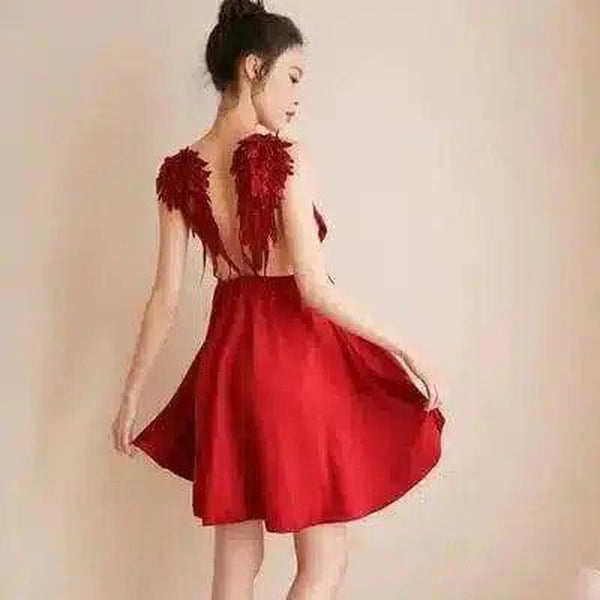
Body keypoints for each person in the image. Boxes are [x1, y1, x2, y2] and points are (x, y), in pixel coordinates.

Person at [111, 0, 446, 598]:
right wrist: (405, 347)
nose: (297, 98)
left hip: (227, 366)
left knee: (235, 564)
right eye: (292, 78)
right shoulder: (282, 156)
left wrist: (131, 394)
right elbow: (312, 288)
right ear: (252, 68)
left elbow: (165, 296)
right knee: (324, 562)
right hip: (296, 363)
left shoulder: (179, 173)